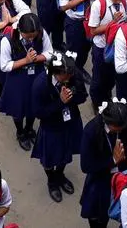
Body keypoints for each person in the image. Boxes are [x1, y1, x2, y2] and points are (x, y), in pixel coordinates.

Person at [80, 98, 127, 228]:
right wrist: (113, 160)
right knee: (98, 215)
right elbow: (86, 166)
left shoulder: (124, 123)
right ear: (107, 121)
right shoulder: (91, 131)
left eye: (122, 128)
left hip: (120, 176)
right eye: (117, 129)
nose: (120, 131)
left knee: (117, 206)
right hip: (99, 180)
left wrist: (123, 154)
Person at [32, 51, 87, 202]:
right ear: (56, 73)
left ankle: (60, 174)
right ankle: (51, 180)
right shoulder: (41, 84)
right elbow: (39, 112)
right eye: (66, 75)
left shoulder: (72, 73)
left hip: (71, 121)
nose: (70, 77)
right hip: (52, 127)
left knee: (66, 151)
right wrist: (60, 102)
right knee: (49, 158)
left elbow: (83, 96)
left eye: (71, 74)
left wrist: (72, 95)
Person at [0, 12, 51, 150]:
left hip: (37, 75)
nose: (31, 39)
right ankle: (20, 132)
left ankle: (29, 128)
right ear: (20, 30)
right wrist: (26, 60)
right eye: (28, 36)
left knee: (34, 104)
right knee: (18, 108)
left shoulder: (41, 33)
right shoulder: (8, 39)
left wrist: (37, 58)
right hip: (17, 78)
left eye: (34, 36)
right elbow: (5, 66)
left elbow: (49, 52)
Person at [87, 0, 127, 108]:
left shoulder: (125, 0)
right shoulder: (98, 5)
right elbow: (93, 31)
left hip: (119, 47)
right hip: (102, 47)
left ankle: (107, 97)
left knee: (112, 76)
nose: (119, 1)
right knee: (98, 78)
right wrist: (113, 23)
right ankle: (96, 103)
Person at [58, 0, 104, 81]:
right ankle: (68, 72)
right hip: (74, 21)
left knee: (85, 48)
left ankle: (79, 69)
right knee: (72, 49)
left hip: (90, 19)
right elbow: (63, 6)